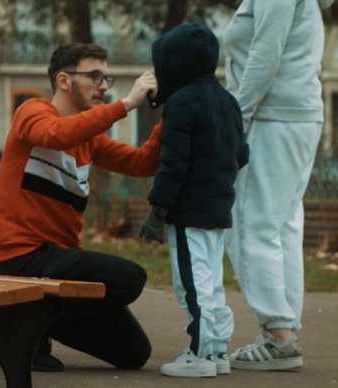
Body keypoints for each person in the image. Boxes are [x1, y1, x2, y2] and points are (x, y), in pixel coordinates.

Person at [0, 42, 160, 372]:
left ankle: (30, 323)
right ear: (64, 80)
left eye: (106, 78)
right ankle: (30, 325)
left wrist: (169, 119)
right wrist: (126, 104)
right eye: (94, 75)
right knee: (130, 278)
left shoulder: (90, 139)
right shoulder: (32, 112)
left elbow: (142, 164)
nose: (102, 85)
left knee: (134, 353)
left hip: (61, 263)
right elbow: (56, 135)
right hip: (25, 260)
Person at [223, 0, 335, 371]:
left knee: (252, 223)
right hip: (295, 115)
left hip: (273, 116)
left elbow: (265, 54)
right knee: (282, 225)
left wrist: (235, 119)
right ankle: (282, 331)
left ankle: (279, 336)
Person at [138, 23, 249, 378]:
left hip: (189, 211)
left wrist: (158, 208)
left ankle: (199, 354)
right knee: (211, 281)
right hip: (219, 206)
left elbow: (173, 164)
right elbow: (241, 154)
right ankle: (217, 351)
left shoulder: (182, 102)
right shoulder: (228, 102)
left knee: (191, 282)